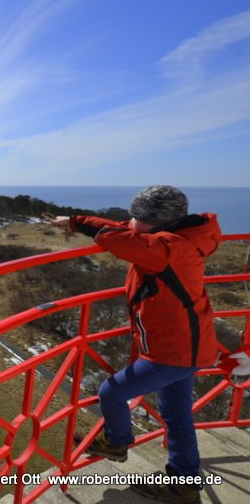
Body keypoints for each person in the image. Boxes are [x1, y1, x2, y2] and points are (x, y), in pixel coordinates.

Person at [48, 185, 221, 504]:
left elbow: (119, 239)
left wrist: (79, 224)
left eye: (137, 217)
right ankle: (184, 481)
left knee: (111, 392)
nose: (130, 220)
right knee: (177, 414)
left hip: (172, 351)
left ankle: (117, 442)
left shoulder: (165, 250)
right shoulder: (178, 238)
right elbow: (126, 230)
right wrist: (74, 220)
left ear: (157, 223)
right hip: (190, 346)